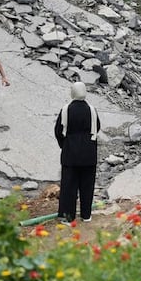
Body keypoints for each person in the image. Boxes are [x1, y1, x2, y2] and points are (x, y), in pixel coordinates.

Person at [55, 82, 100, 224]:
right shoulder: (92, 109)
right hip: (89, 153)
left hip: (71, 153)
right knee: (87, 185)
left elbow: (58, 131)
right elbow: (97, 127)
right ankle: (86, 215)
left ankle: (68, 217)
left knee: (69, 186)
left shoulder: (66, 109)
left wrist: (65, 145)